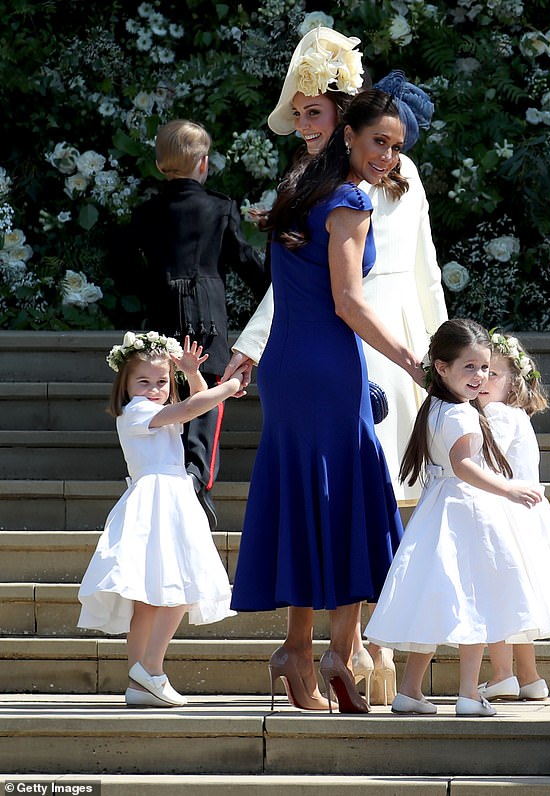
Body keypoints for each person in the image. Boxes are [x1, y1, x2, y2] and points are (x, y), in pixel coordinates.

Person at [223, 27, 447, 705]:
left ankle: (310, 651)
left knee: (313, 496)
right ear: (352, 133)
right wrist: (416, 363)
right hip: (336, 355)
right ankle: (330, 655)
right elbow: (348, 300)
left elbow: (323, 285)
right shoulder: (345, 197)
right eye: (379, 141)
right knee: (351, 499)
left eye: (396, 145)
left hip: (301, 358)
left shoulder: (301, 185)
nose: (388, 154)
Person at [364, 318, 550, 717]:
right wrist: (508, 487)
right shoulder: (463, 414)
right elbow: (464, 464)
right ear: (441, 367)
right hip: (468, 509)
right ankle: (470, 693)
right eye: (469, 367)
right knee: (474, 599)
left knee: (434, 598)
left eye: (485, 367)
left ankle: (410, 691)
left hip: (437, 509)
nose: (480, 376)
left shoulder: (435, 405)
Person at [77, 331, 245, 707]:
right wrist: (230, 384)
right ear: (126, 384)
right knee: (180, 587)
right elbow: (190, 409)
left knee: (151, 601)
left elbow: (196, 405)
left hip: (169, 497)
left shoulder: (157, 411)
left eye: (162, 382)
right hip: (158, 499)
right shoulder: (137, 412)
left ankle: (140, 684)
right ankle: (150, 667)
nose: (154, 389)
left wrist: (191, 374)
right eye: (144, 381)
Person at [129, 120, 269, 528]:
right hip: (208, 314)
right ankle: (196, 477)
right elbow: (245, 261)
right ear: (204, 164)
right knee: (207, 397)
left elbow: (119, 261)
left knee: (165, 393)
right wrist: (279, 291)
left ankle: (173, 476)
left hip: (161, 313)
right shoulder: (220, 207)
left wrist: (149, 285)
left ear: (159, 164)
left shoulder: (146, 212)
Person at [476, 331, 550, 701]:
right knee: (518, 600)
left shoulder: (497, 414)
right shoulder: (515, 415)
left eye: (495, 374)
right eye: (482, 370)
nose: (484, 379)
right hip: (525, 517)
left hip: (506, 516)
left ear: (513, 384)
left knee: (499, 596)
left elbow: (484, 462)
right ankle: (530, 676)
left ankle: (503, 674)